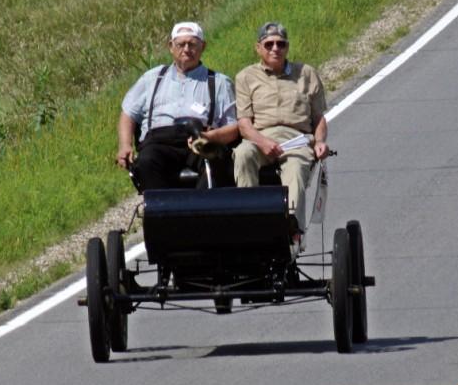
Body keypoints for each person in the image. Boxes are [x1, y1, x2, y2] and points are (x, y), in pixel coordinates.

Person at [233, 22, 329, 238]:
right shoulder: (246, 77)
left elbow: (319, 118)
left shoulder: (306, 73)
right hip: (260, 137)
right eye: (269, 44)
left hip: (296, 138)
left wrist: (320, 141)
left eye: (280, 44)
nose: (275, 49)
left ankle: (291, 227)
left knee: (296, 167)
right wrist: (263, 143)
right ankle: (249, 221)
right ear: (258, 48)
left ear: (287, 47)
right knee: (242, 154)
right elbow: (244, 124)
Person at [116, 22, 238, 190]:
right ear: (171, 47)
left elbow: (233, 127)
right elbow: (128, 114)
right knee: (145, 162)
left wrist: (212, 136)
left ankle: (202, 212)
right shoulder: (151, 78)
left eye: (192, 44)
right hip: (159, 141)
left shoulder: (219, 82)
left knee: (217, 161)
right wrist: (125, 145)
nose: (186, 49)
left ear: (203, 46)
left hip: (199, 138)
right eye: (181, 44)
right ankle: (162, 212)